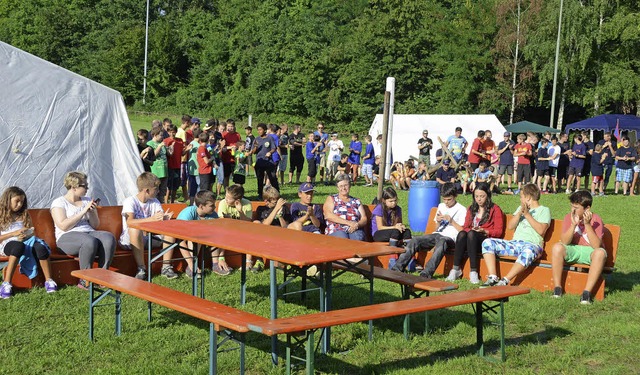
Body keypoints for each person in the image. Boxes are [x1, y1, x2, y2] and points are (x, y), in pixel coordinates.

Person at [51, 171, 116, 289]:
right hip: (67, 237)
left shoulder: (86, 200)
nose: (87, 188)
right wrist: (83, 211)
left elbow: (95, 225)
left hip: (88, 232)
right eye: (84, 186)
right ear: (73, 187)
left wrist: (92, 211)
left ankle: (102, 276)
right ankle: (84, 279)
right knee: (89, 241)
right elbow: (63, 226)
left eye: (87, 185)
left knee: (108, 237)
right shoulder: (59, 202)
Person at [481, 183, 551, 287]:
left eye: (521, 197)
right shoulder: (520, 208)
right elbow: (510, 226)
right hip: (515, 244)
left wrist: (527, 215)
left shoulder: (544, 210)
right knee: (487, 242)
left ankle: (505, 280)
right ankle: (492, 277)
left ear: (528, 198)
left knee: (527, 252)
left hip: (532, 246)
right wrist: (519, 213)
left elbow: (541, 231)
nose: (520, 199)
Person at [391, 182, 466, 279]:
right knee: (415, 240)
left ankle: (427, 273)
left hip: (450, 238)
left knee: (441, 242)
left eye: (449, 199)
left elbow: (463, 231)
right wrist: (438, 222)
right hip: (437, 234)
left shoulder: (461, 209)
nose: (446, 202)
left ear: (455, 196)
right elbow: (435, 228)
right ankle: (397, 268)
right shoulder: (441, 206)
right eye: (444, 199)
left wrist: (451, 220)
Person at [551, 191, 606, 304]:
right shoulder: (568, 217)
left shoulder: (596, 220)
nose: (572, 210)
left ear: (587, 208)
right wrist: (573, 225)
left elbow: (596, 246)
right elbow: (565, 241)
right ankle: (557, 288)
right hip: (574, 249)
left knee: (600, 253)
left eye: (576, 207)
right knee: (557, 247)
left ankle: (586, 293)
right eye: (571, 206)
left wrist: (587, 224)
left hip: (590, 252)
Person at [0, 187, 57, 298]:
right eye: (17, 201)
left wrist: (26, 234)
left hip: (26, 241)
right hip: (7, 243)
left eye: (22, 201)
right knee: (17, 246)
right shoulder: (1, 215)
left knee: (41, 247)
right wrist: (14, 234)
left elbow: (31, 231)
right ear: (8, 200)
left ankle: (49, 280)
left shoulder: (24, 214)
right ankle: (6, 283)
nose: (20, 204)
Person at [120, 172, 175, 280]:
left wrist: (164, 219)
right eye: (156, 188)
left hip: (149, 237)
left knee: (170, 230)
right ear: (147, 190)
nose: (158, 191)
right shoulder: (130, 201)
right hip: (130, 238)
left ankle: (166, 267)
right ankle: (141, 269)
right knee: (135, 230)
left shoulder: (154, 202)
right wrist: (151, 219)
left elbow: (158, 218)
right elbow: (129, 222)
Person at [447, 183, 504, 284]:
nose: (479, 199)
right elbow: (465, 227)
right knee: (462, 234)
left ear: (488, 195)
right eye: (476, 196)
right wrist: (472, 230)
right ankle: (455, 269)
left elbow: (499, 231)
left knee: (471, 234)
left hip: (485, 241)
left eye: (482, 196)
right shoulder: (471, 208)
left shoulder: (495, 209)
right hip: (470, 239)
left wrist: (484, 231)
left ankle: (474, 272)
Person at [174, 190, 219, 279]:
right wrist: (190, 262)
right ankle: (191, 266)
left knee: (215, 235)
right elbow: (179, 238)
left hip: (205, 238)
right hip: (184, 238)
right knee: (196, 237)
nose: (215, 207)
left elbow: (216, 231)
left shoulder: (213, 215)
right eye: (211, 205)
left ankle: (216, 264)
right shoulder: (187, 214)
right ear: (201, 206)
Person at [251, 186, 292, 272]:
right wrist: (276, 209)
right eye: (274, 203)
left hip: (280, 234)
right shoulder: (261, 209)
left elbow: (286, 228)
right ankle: (259, 260)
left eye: (277, 202)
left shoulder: (284, 208)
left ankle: (282, 263)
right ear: (266, 201)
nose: (277, 204)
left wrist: (280, 216)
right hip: (266, 235)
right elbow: (264, 225)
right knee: (256, 224)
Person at [216, 184, 252, 275]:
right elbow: (221, 222)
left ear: (237, 200)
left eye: (229, 198)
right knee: (224, 230)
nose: (226, 199)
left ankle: (248, 261)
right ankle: (221, 259)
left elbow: (248, 223)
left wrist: (240, 211)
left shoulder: (247, 204)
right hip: (227, 230)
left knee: (251, 232)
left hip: (242, 231)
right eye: (226, 196)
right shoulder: (223, 203)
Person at [323, 174, 367, 240]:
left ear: (350, 186)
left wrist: (357, 225)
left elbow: (364, 218)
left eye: (346, 185)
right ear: (337, 188)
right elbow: (328, 215)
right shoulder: (332, 198)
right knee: (343, 238)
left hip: (354, 228)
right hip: (337, 228)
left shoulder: (356, 201)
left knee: (357, 238)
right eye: (340, 186)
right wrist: (349, 223)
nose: (343, 188)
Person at [251, 123, 279, 200]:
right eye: (258, 130)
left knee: (273, 178)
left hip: (269, 162)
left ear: (265, 130)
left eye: (260, 130)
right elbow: (253, 152)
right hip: (259, 162)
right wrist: (256, 147)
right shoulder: (256, 139)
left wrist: (270, 152)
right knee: (260, 179)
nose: (259, 131)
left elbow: (274, 148)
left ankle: (277, 194)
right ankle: (260, 195)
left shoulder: (270, 138)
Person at [163, 124, 186, 203]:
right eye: (170, 132)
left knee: (175, 185)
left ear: (176, 132)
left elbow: (182, 153)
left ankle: (172, 201)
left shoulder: (180, 141)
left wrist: (187, 149)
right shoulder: (166, 141)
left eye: (173, 132)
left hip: (177, 166)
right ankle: (166, 202)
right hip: (169, 166)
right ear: (168, 132)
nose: (172, 134)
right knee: (169, 185)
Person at [147, 127, 169, 203]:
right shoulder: (150, 144)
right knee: (155, 190)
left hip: (164, 171)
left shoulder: (161, 143)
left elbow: (167, 154)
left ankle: (161, 205)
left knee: (162, 191)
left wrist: (170, 149)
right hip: (156, 172)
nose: (162, 137)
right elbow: (153, 156)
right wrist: (159, 146)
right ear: (155, 135)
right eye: (161, 135)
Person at [221, 119, 242, 189]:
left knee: (236, 176)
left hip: (235, 159)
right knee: (226, 176)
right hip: (226, 158)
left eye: (232, 126)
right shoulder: (224, 134)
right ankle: (226, 190)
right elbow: (222, 147)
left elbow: (240, 145)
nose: (230, 128)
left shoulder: (237, 135)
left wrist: (237, 148)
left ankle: (237, 191)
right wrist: (229, 147)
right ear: (226, 126)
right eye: (229, 126)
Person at [186, 128, 202, 204]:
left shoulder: (191, 143)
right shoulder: (199, 146)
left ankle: (192, 204)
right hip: (198, 168)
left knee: (192, 187)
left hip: (191, 168)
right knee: (198, 187)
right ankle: (197, 204)